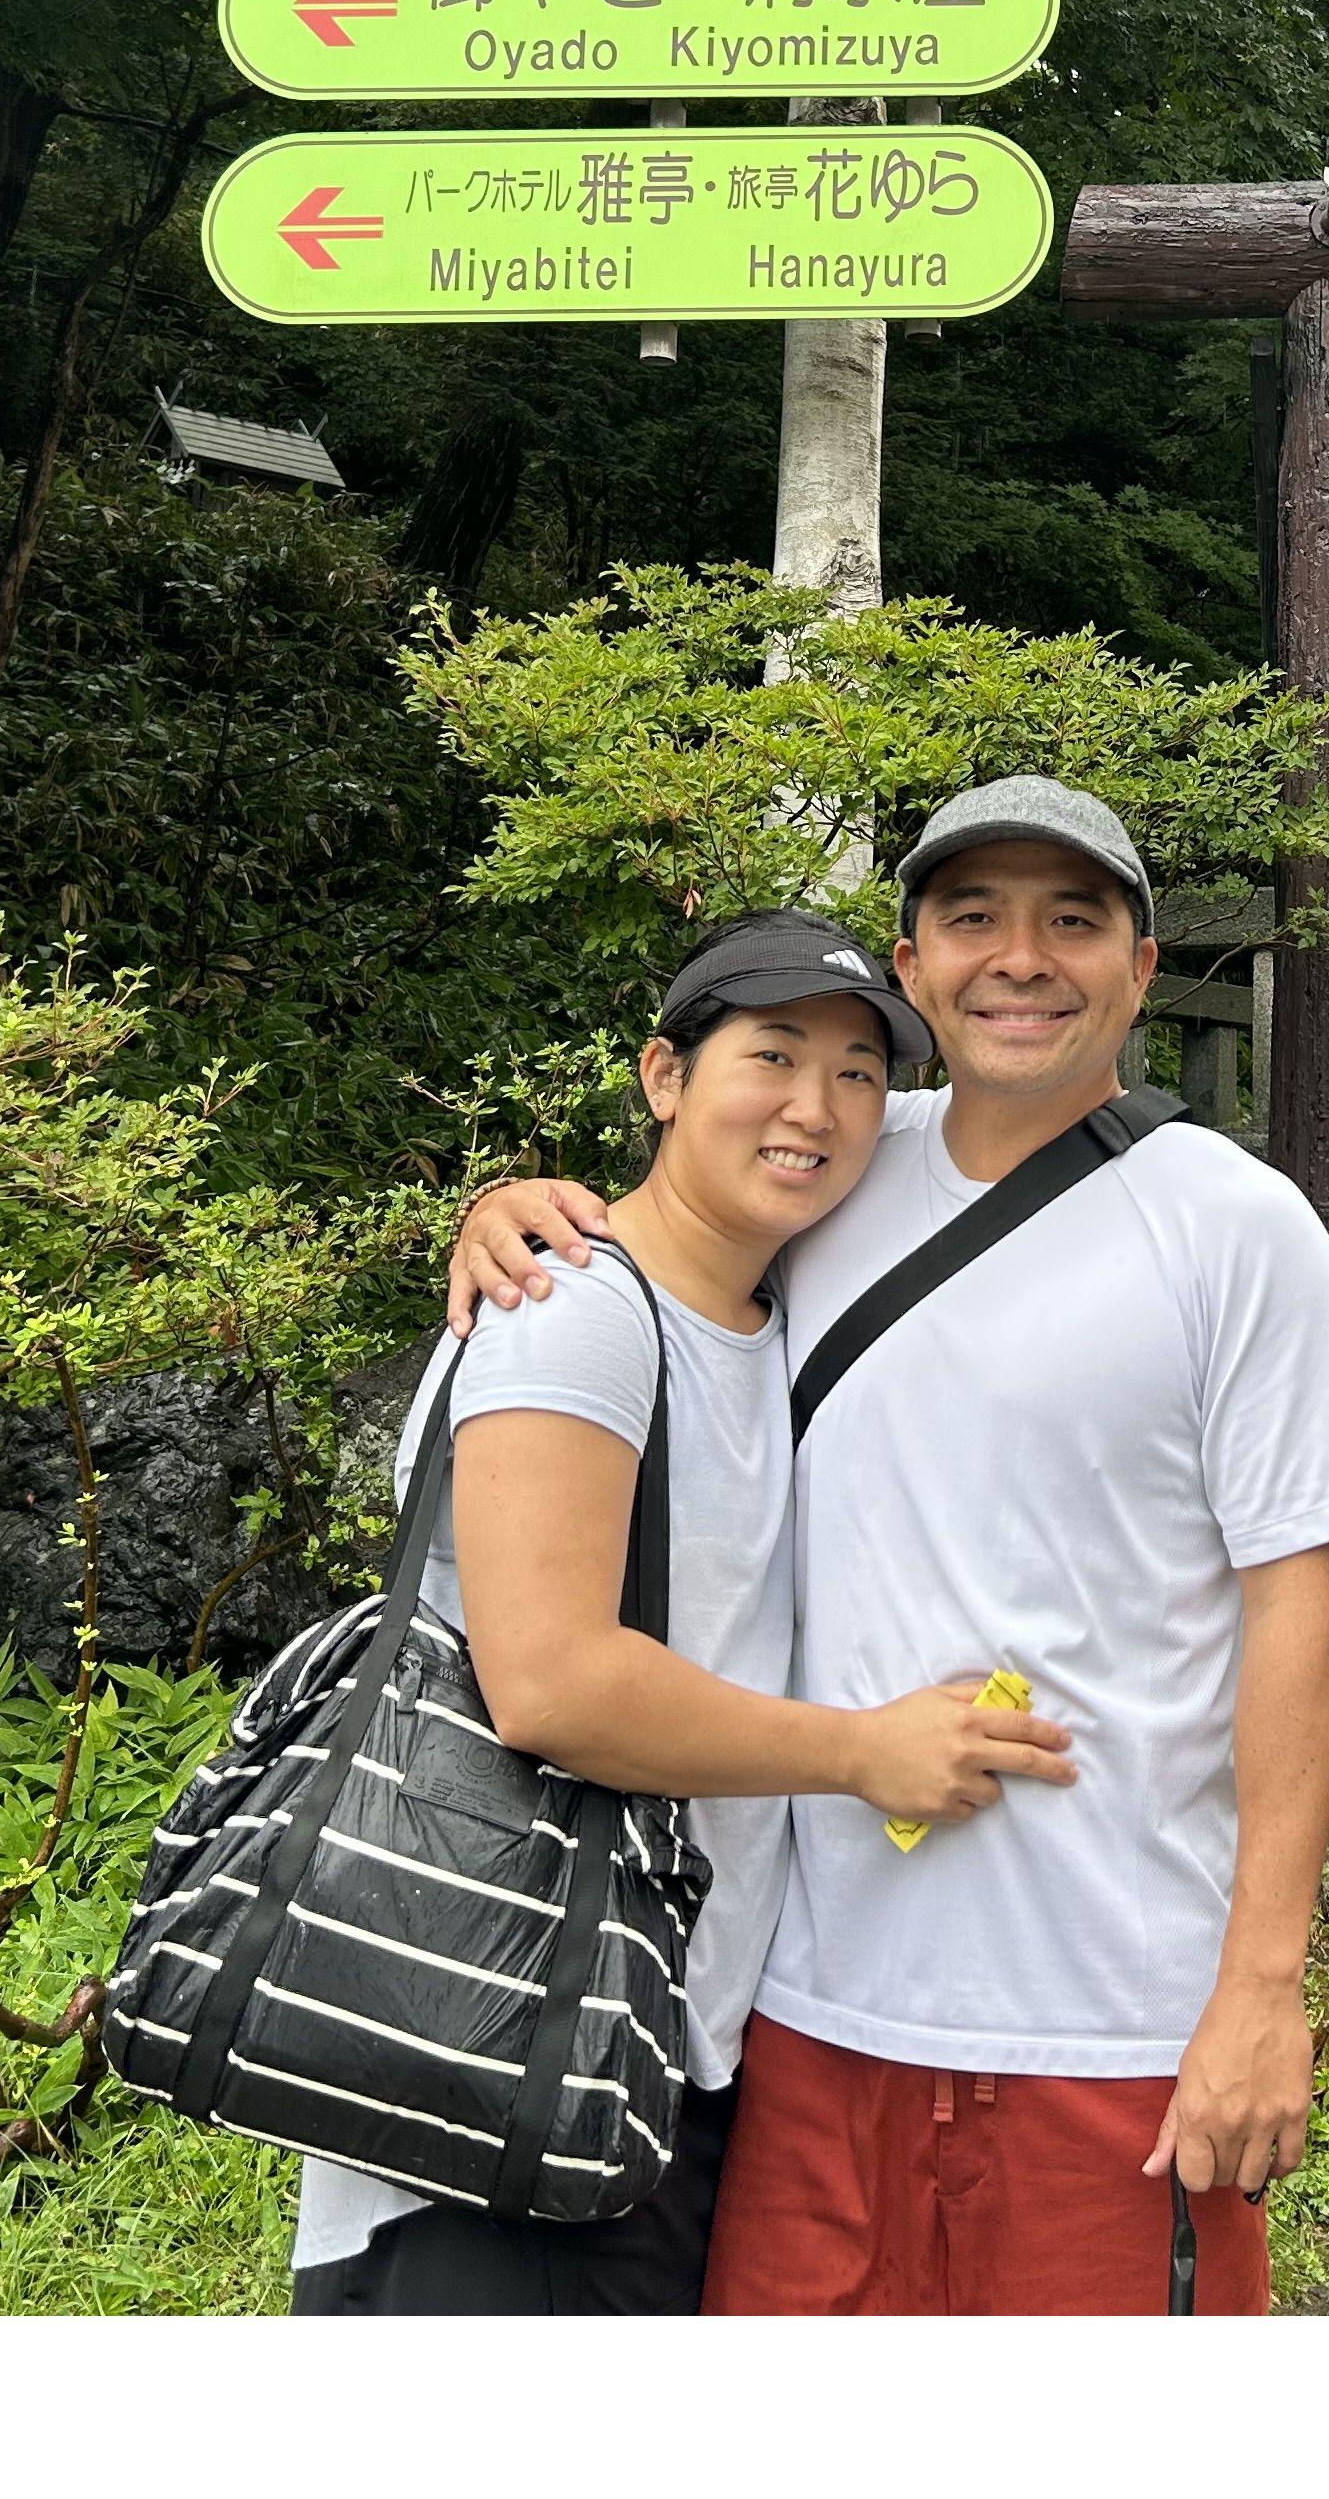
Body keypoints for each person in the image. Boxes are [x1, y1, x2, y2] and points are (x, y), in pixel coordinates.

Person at [448, 776, 1329, 2314]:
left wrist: (1263, 1990)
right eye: (974, 920)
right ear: (914, 962)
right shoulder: (833, 1166)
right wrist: (514, 1210)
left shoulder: (1238, 1226)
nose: (1022, 958)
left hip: (1112, 2023)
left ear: (1141, 970)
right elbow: (663, 1218)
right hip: (813, 2016)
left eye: (1073, 921)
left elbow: (1302, 1620)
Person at [293, 909, 1078, 2318]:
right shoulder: (572, 1309)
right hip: (487, 2066)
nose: (814, 1107)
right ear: (664, 1077)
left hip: (657, 2054)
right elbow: (546, 1682)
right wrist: (859, 1752)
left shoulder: (778, 1319)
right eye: (770, 1056)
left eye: (855, 1074)